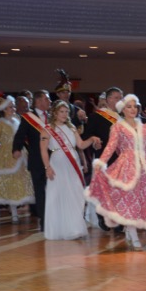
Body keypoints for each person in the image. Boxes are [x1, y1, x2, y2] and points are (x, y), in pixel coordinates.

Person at [86, 94, 146, 250]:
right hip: (127, 167)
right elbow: (111, 147)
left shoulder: (143, 127)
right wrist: (101, 162)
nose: (132, 109)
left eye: (135, 106)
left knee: (139, 200)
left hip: (144, 168)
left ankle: (129, 230)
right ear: (122, 109)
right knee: (130, 199)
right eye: (129, 106)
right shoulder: (118, 127)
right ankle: (133, 234)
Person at [41, 100, 100, 240]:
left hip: (73, 162)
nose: (64, 114)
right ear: (55, 113)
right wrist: (47, 167)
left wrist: (92, 139)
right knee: (59, 195)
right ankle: (60, 229)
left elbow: (81, 145)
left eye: (66, 111)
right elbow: (43, 150)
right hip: (57, 164)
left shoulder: (72, 127)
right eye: (61, 111)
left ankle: (74, 228)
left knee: (76, 194)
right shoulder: (47, 129)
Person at [0, 96, 35, 223]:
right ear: (4, 109)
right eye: (10, 107)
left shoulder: (18, 119)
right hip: (6, 155)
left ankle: (22, 207)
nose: (13, 109)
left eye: (13, 106)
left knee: (21, 181)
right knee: (10, 182)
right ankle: (13, 212)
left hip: (20, 153)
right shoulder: (0, 123)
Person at [82, 86, 123, 232]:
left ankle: (118, 221)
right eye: (116, 98)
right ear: (108, 99)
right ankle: (102, 216)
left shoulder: (124, 117)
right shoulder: (97, 116)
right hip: (105, 158)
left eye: (121, 98)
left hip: (121, 159)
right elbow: (86, 136)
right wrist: (94, 140)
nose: (119, 101)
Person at [13, 90, 52, 230]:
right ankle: (44, 220)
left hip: (53, 159)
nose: (50, 102)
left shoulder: (51, 117)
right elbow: (20, 135)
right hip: (37, 160)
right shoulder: (29, 117)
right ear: (39, 101)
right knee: (40, 192)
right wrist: (16, 149)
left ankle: (54, 218)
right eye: (47, 99)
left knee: (53, 190)